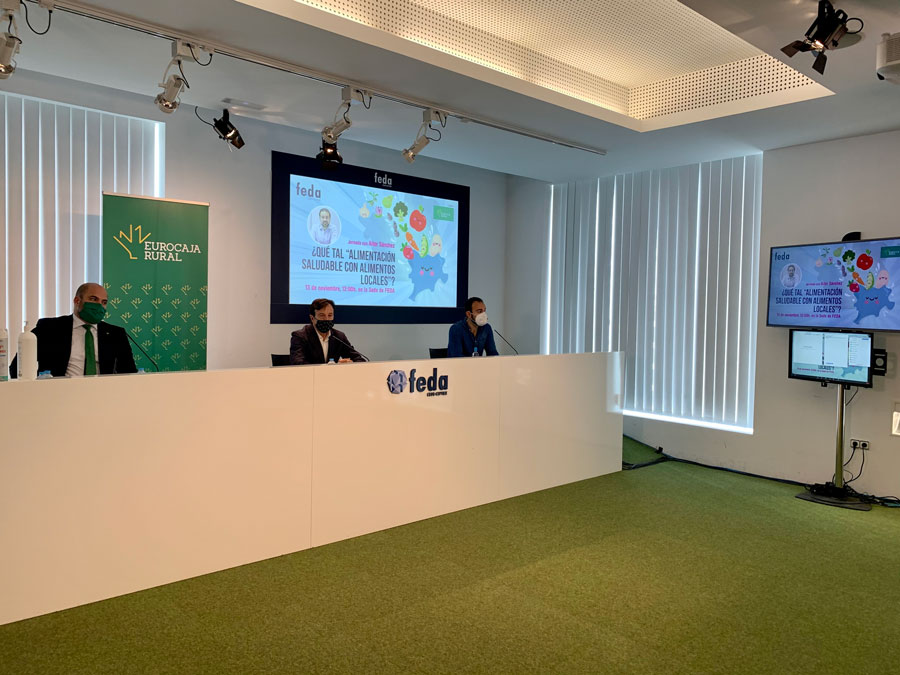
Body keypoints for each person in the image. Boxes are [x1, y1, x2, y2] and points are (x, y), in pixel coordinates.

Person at [10, 282, 137, 378]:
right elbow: (18, 368)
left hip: (103, 394)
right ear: (77, 301)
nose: (99, 305)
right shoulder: (49, 328)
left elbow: (129, 373)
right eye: (93, 299)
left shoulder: (116, 334)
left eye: (103, 302)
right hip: (58, 395)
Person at [290, 298, 365, 364]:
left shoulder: (339, 336)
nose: (326, 319)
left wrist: (350, 363)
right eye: (322, 315)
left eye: (330, 315)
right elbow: (298, 363)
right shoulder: (300, 337)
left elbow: (359, 359)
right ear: (312, 318)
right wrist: (329, 368)